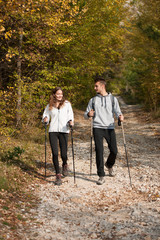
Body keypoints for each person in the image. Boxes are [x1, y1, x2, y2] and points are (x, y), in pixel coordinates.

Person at [84, 78, 124, 185]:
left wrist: (120, 117)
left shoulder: (112, 99)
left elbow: (118, 112)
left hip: (109, 127)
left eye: (96, 86)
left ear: (102, 86)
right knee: (99, 151)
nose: (94, 88)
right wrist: (89, 115)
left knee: (114, 150)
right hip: (97, 127)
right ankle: (101, 175)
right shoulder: (93, 100)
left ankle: (109, 165)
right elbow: (85, 114)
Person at [42, 87, 74, 185]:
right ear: (54, 94)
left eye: (61, 94)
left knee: (64, 154)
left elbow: (70, 115)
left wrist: (71, 121)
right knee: (55, 153)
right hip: (53, 131)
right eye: (58, 94)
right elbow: (45, 115)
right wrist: (45, 119)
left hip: (64, 130)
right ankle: (58, 175)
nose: (60, 95)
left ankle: (64, 164)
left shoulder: (67, 104)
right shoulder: (50, 105)